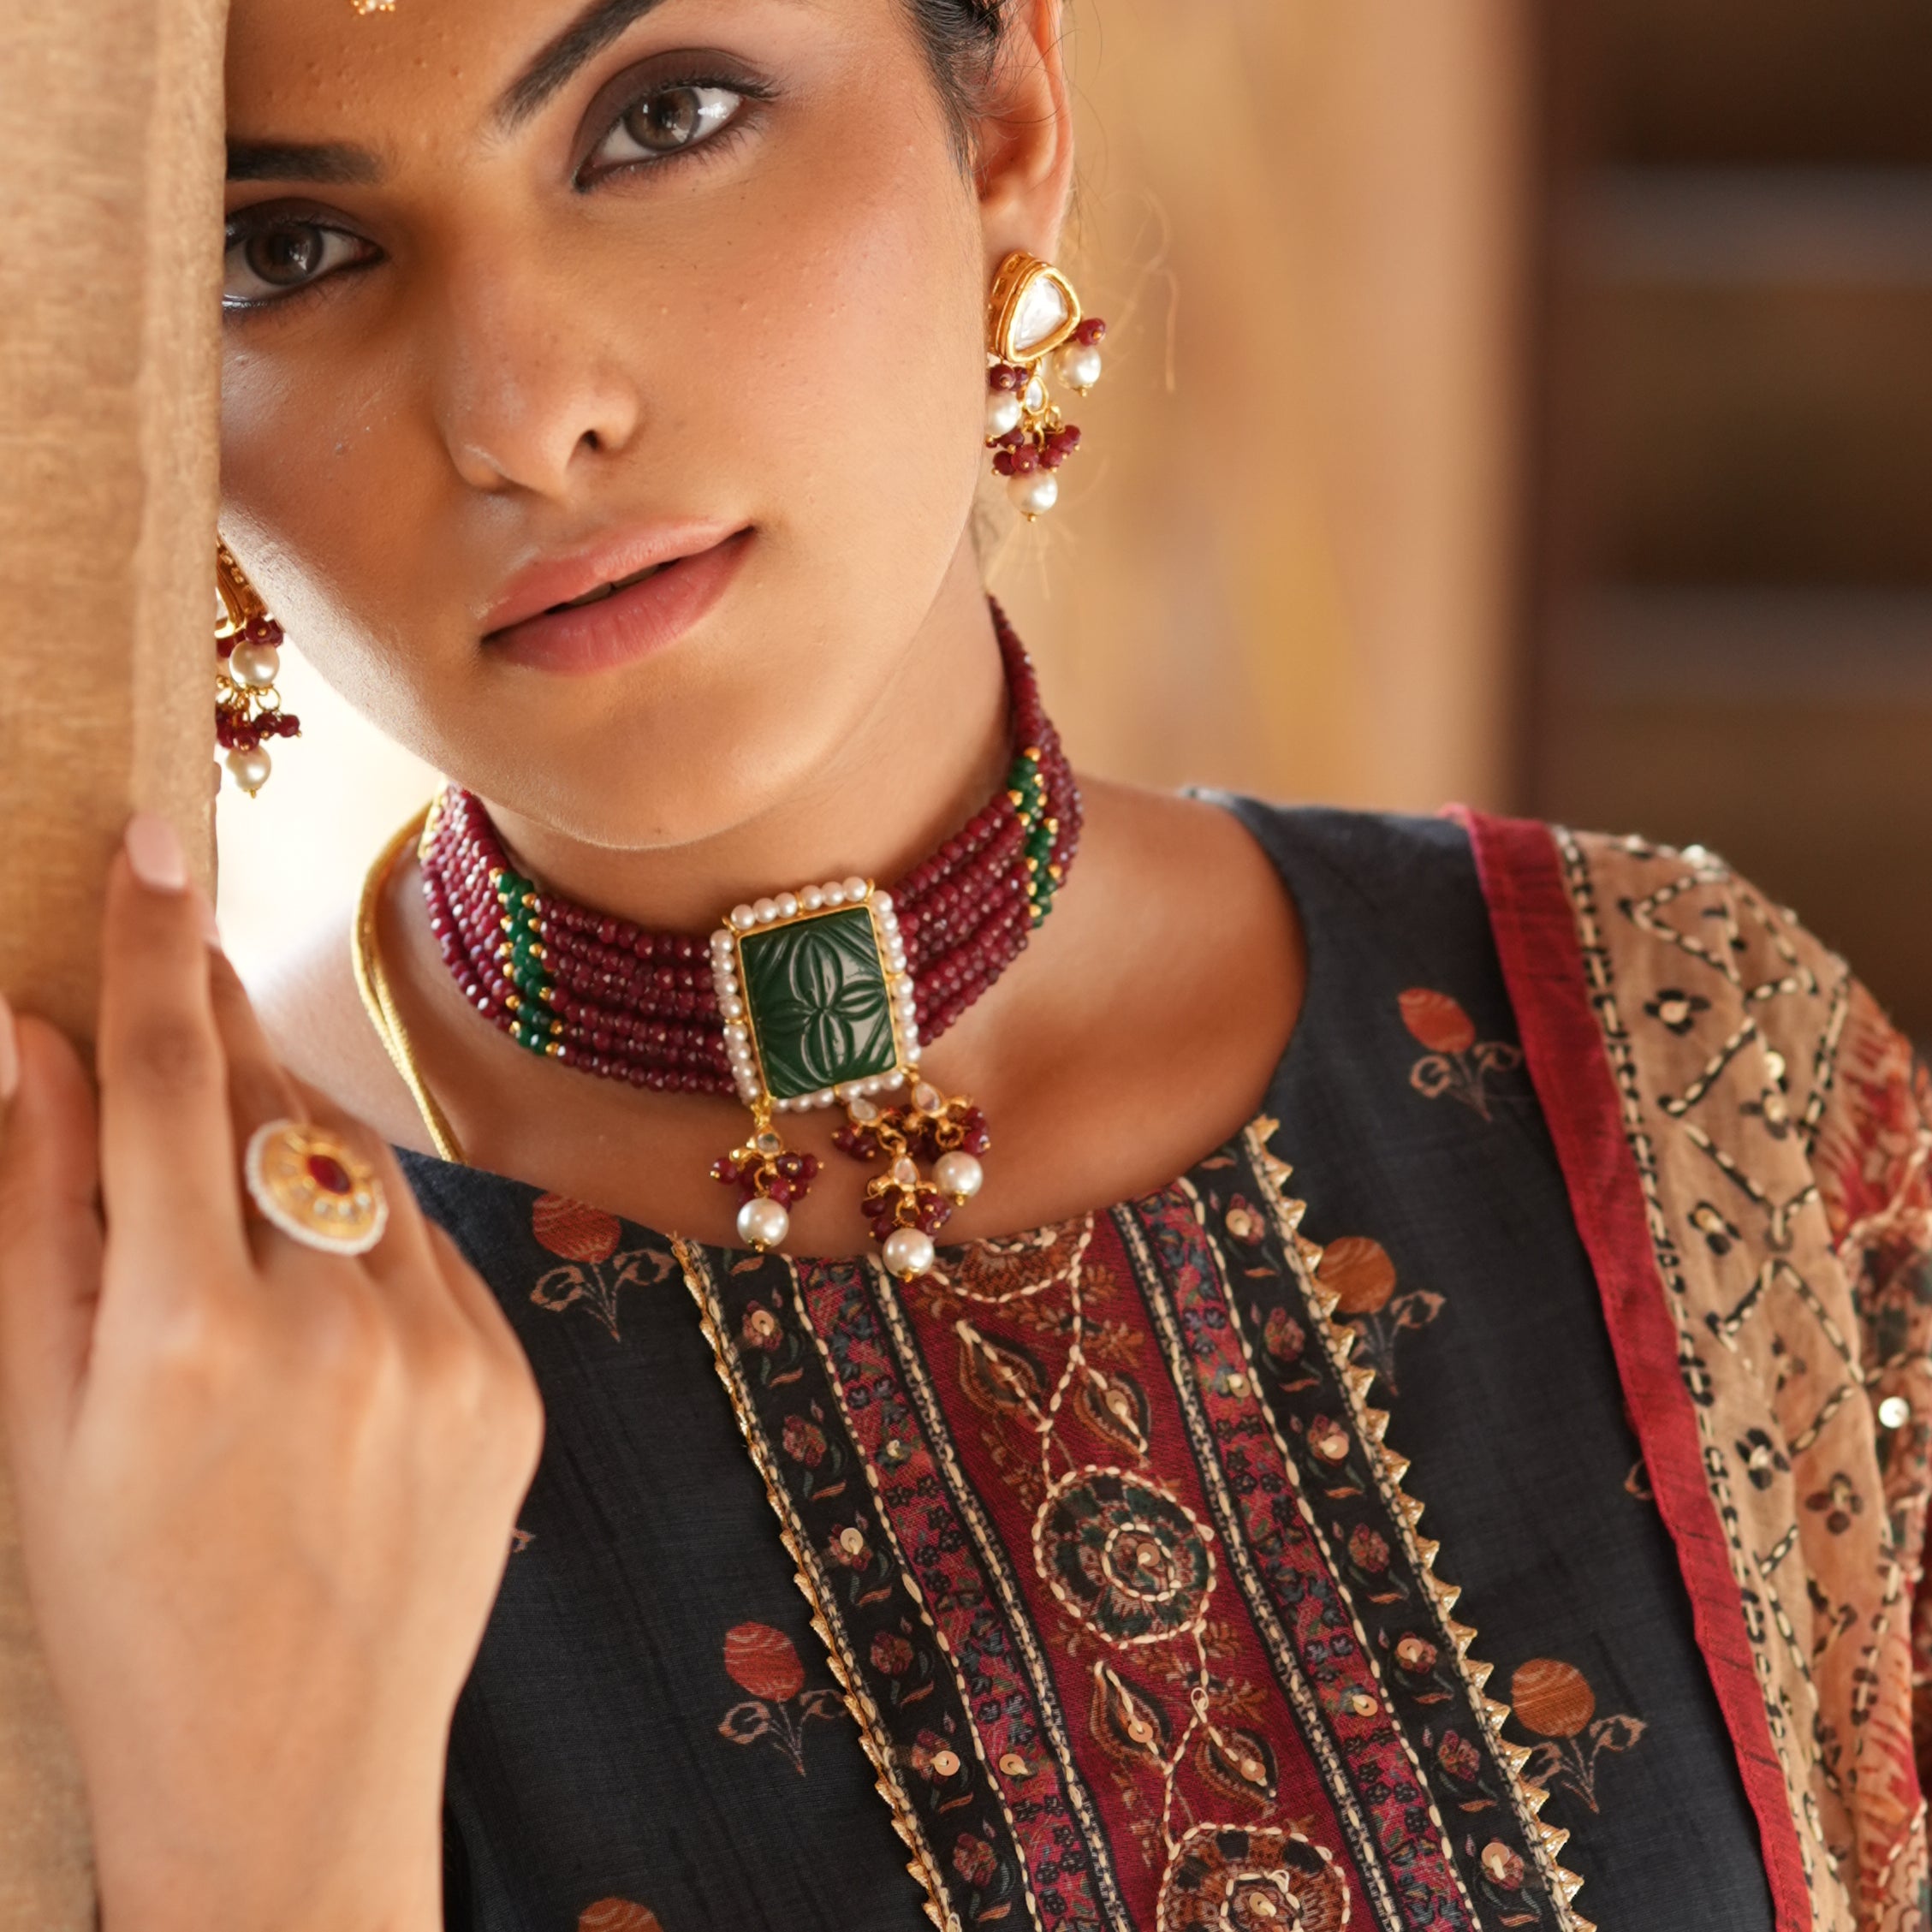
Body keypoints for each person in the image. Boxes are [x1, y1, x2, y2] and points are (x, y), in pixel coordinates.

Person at [0, 0, 1927, 1927]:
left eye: (662, 120)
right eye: (288, 249)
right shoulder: (123, 1341)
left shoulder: (1690, 1060)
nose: (521, 413)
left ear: (1001, 122)